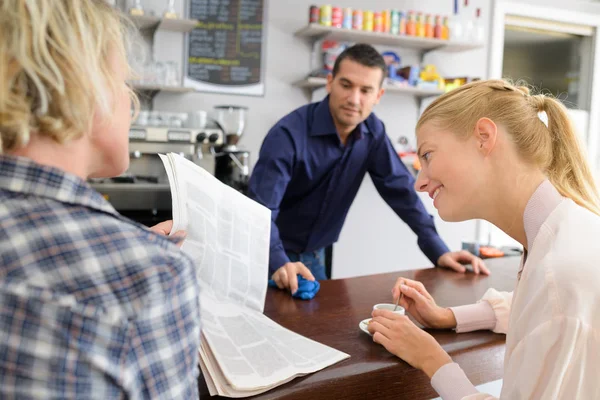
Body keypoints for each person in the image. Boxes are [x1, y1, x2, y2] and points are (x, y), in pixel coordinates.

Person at [0, 2, 200, 398]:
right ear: (81, 86)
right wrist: (139, 263)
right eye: (124, 83)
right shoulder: (154, 276)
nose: (132, 104)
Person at [368, 79, 600, 398]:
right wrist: (447, 316)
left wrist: (432, 360)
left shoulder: (560, 277)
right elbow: (532, 307)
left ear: (484, 138)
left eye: (428, 155)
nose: (418, 184)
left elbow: (552, 305)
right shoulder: (562, 236)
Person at [248, 43, 488, 295]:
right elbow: (261, 212)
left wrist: (439, 250)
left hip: (317, 256)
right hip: (269, 256)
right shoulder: (287, 135)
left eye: (365, 90)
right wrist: (278, 262)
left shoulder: (373, 132)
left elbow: (401, 192)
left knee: (318, 329)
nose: (354, 99)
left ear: (378, 96)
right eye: (346, 85)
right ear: (329, 82)